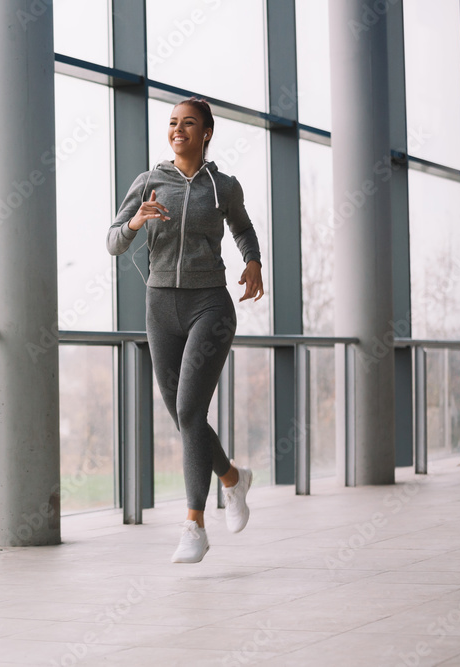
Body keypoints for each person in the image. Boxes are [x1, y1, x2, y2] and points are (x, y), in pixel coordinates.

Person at [106, 97, 264, 563]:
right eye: (173, 123)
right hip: (160, 308)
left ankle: (194, 524)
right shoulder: (149, 181)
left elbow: (243, 229)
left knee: (190, 410)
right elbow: (113, 241)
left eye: (188, 123)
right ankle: (233, 478)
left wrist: (253, 262)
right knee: (183, 415)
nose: (178, 130)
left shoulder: (223, 186)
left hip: (209, 306)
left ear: (206, 132)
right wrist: (136, 220)